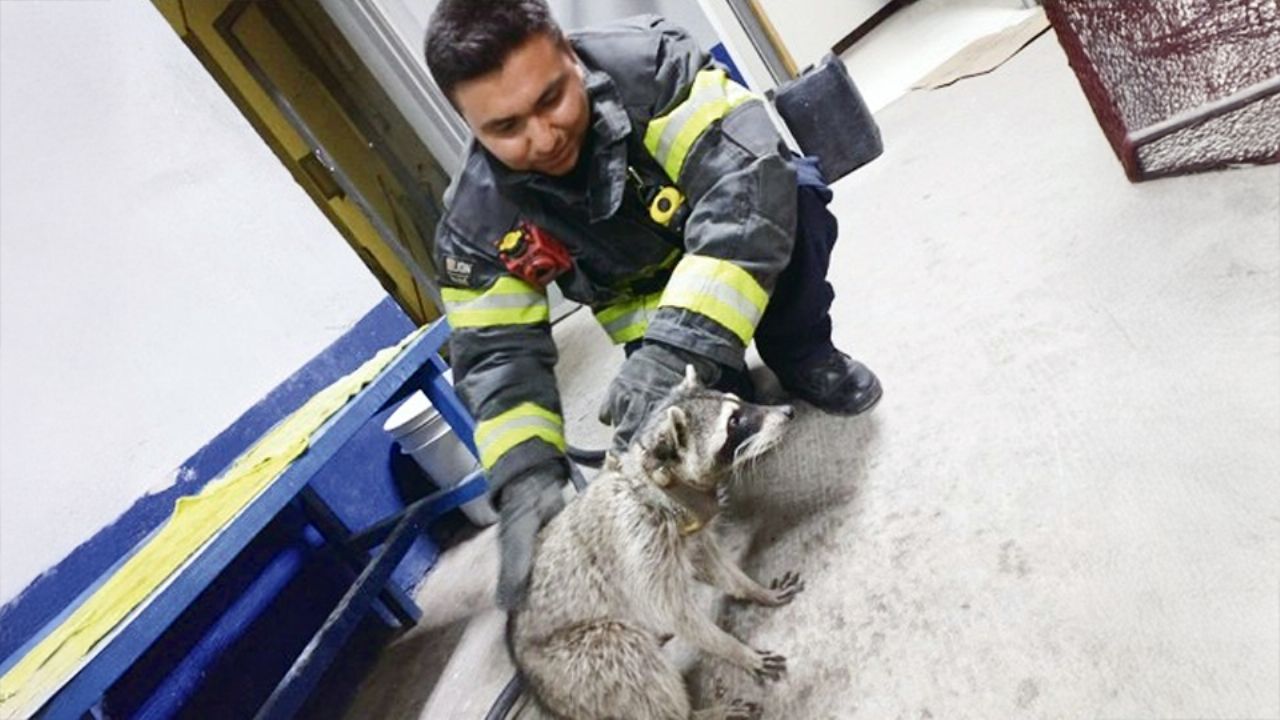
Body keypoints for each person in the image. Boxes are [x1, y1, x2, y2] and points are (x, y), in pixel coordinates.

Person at [423, 0, 881, 609]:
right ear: (469, 125)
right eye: (505, 128)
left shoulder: (656, 70)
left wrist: (674, 351)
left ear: (569, 53)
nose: (543, 135)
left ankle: (800, 351)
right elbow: (497, 358)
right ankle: (725, 380)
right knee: (701, 426)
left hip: (735, 260)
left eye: (552, 97)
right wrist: (526, 475)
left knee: (791, 196)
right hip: (646, 316)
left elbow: (746, 190)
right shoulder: (476, 223)